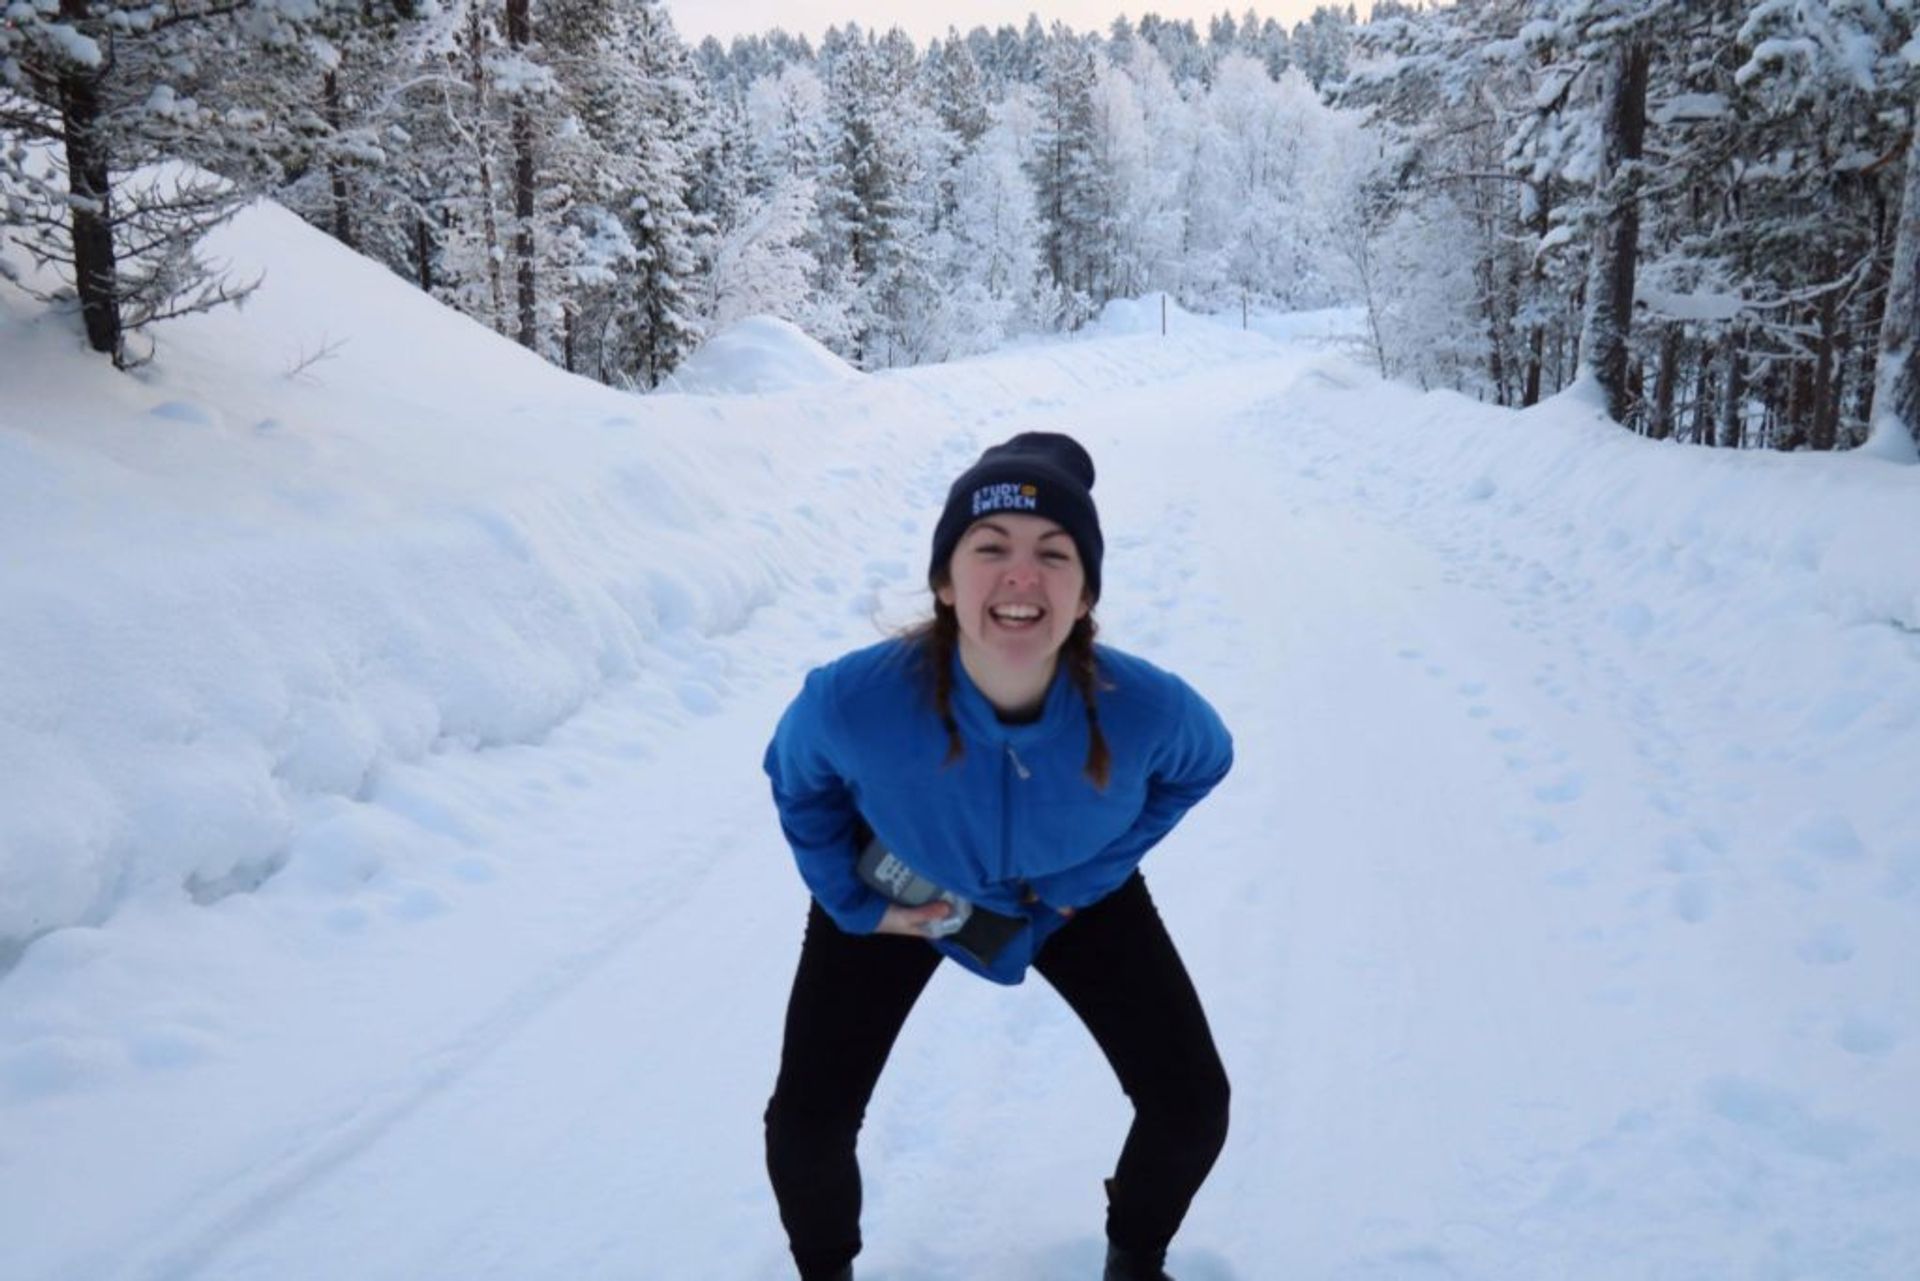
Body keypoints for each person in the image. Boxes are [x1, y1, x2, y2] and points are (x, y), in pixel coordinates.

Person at [762, 432, 1234, 1281]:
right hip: (902, 882)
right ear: (946, 581)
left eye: (1054, 554)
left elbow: (1203, 764)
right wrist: (855, 904)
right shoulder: (851, 701)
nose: (1022, 575)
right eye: (991, 549)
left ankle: (1136, 1260)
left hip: (1068, 896)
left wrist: (1077, 886)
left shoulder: (1149, 710)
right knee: (808, 1121)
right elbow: (798, 784)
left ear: (1086, 592)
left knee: (1192, 1105)